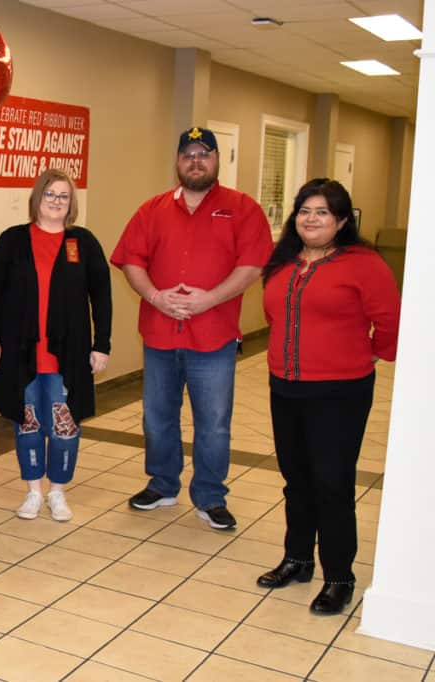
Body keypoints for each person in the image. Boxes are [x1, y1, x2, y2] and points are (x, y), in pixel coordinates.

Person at [111, 126, 273, 531]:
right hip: (160, 333)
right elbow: (132, 260)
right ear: (178, 160)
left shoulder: (243, 208)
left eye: (204, 154)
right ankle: (162, 485)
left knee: (213, 421)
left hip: (214, 336)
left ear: (217, 160)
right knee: (156, 417)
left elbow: (252, 265)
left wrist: (209, 299)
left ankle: (210, 496)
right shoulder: (152, 210)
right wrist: (154, 296)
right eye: (188, 154)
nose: (196, 161)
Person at [257, 179, 399, 614]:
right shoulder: (283, 262)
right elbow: (273, 315)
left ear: (341, 220)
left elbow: (391, 320)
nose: (311, 219)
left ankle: (339, 575)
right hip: (285, 386)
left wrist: (375, 355)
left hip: (340, 393)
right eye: (304, 210)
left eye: (322, 212)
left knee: (332, 484)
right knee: (296, 480)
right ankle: (297, 559)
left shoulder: (364, 263)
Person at [0, 168, 112, 522]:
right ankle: (33, 492)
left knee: (64, 427)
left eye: (63, 196)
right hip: (21, 355)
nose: (56, 201)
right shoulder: (13, 239)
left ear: (71, 203)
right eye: (50, 194)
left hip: (66, 357)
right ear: (37, 198)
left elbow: (101, 295)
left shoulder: (82, 243)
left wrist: (102, 344)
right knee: (28, 424)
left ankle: (58, 492)